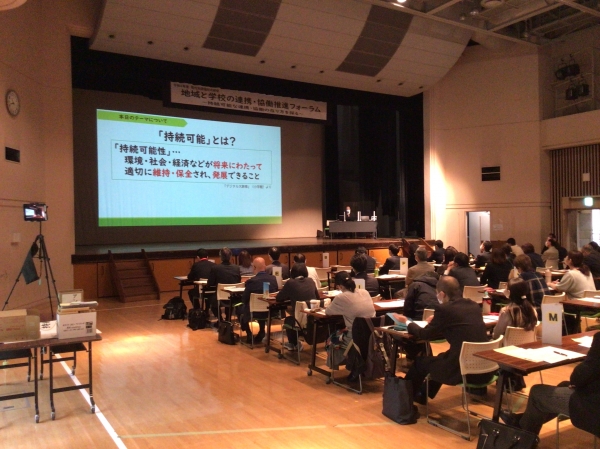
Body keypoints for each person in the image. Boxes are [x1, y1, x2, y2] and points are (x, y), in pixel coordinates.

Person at [392, 276, 491, 404]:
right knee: (441, 358)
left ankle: (403, 400)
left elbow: (424, 334)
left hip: (463, 369)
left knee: (421, 362)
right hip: (484, 366)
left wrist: (407, 322)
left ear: (442, 294)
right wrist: (438, 321)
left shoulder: (444, 309)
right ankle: (422, 394)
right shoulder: (473, 305)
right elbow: (457, 325)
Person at [500, 332, 600, 438]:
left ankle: (524, 439)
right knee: (563, 385)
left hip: (594, 406)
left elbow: (581, 374)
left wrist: (577, 381)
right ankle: (522, 422)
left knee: (537, 393)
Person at [276, 263, 320, 351]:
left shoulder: (290, 283)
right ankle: (295, 343)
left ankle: (293, 343)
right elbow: (317, 297)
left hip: (300, 320)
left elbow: (279, 298)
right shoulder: (311, 281)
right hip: (313, 317)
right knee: (293, 312)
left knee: (288, 320)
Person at [239, 257, 278, 344]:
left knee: (239, 308)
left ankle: (249, 333)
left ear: (254, 267)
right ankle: (261, 331)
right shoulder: (273, 279)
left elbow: (244, 299)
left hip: (254, 312)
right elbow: (271, 295)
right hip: (270, 311)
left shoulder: (251, 282)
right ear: (265, 266)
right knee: (262, 305)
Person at [325, 271, 375, 335]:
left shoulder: (341, 297)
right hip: (372, 333)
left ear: (340, 286)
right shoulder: (365, 292)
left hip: (355, 335)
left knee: (332, 338)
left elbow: (327, 312)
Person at [206, 247, 241, 321]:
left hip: (219, 298)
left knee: (211, 301)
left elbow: (210, 283)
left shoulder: (215, 268)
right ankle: (228, 319)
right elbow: (238, 281)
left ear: (220, 257)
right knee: (230, 300)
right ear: (231, 257)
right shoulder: (236, 268)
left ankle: (221, 320)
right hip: (233, 297)